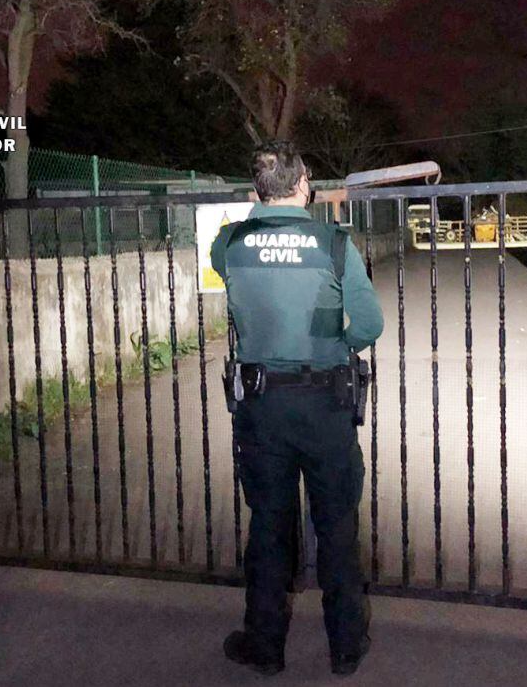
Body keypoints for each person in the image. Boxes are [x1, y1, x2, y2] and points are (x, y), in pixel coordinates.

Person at [211, 141, 384, 676]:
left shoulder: (228, 244)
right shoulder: (333, 244)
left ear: (253, 192)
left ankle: (265, 646)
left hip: (260, 407)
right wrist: (328, 345)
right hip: (324, 404)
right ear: (305, 184)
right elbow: (370, 324)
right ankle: (345, 647)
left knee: (267, 526)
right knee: (335, 525)